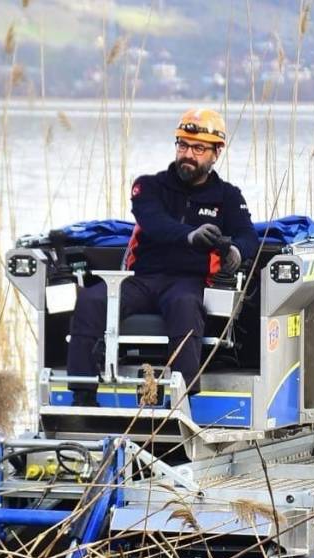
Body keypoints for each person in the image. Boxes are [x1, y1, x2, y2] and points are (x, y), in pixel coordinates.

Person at [66, 108, 258, 407]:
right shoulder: (149, 186)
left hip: (188, 282)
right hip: (142, 279)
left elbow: (249, 236)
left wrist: (235, 251)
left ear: (215, 154)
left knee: (185, 305)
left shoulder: (228, 197)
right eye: (183, 145)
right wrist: (190, 236)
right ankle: (82, 396)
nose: (188, 155)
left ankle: (181, 400)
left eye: (198, 148)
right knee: (91, 299)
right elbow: (153, 221)